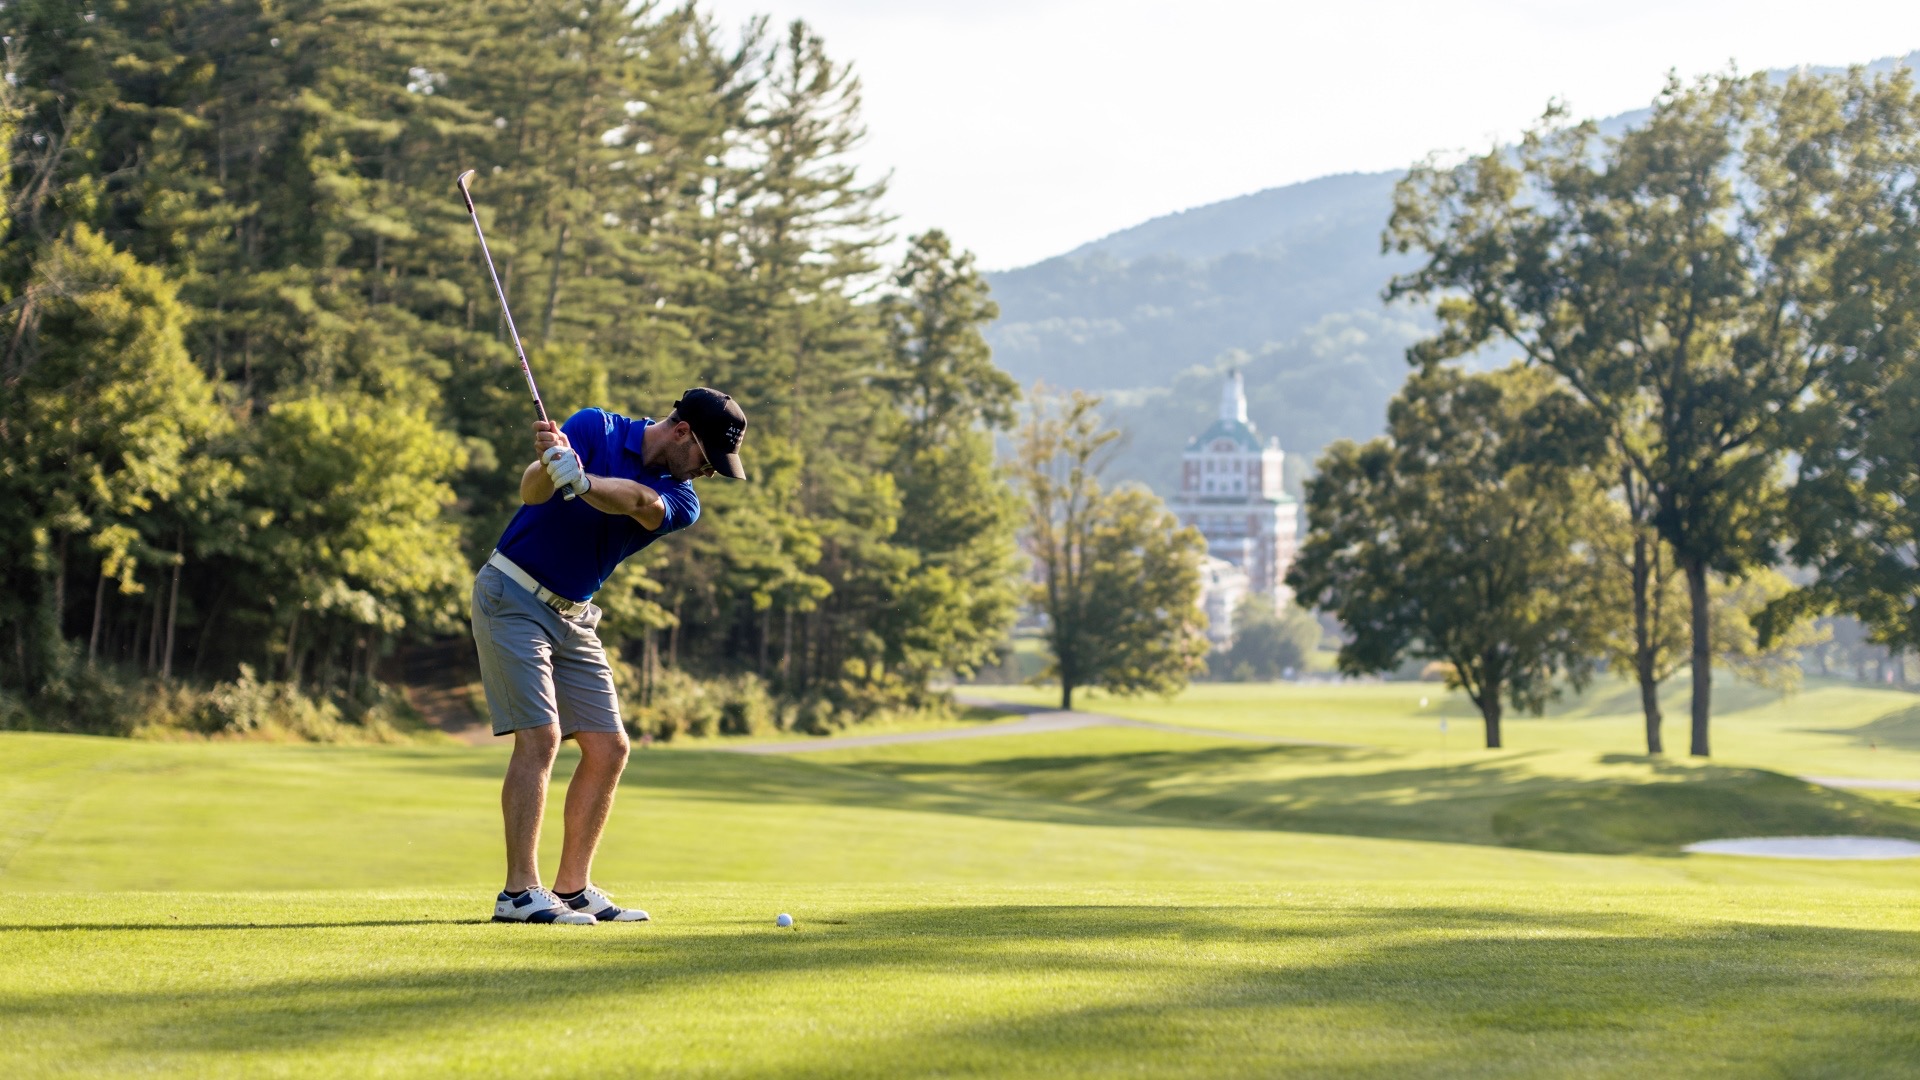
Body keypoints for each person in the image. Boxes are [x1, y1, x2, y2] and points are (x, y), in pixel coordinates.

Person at [471, 387, 747, 924]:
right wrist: (551, 465)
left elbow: (640, 504)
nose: (707, 473)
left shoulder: (682, 499)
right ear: (682, 431)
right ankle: (519, 893)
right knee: (542, 737)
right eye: (707, 461)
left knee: (610, 748)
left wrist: (586, 481)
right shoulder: (595, 427)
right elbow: (531, 494)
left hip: (574, 613)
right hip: (512, 593)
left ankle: (573, 889)